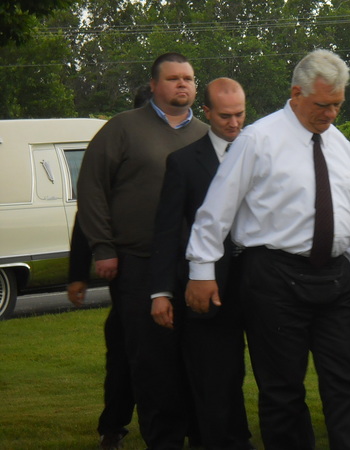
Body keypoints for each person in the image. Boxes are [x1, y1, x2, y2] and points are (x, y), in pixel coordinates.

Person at [184, 49, 350, 450]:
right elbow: (216, 210)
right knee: (283, 390)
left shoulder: (339, 145)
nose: (331, 114)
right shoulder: (258, 138)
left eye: (338, 104)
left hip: (335, 278)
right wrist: (201, 271)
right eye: (323, 105)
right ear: (296, 92)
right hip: (274, 278)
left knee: (345, 382)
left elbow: (349, 217)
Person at [77, 52, 208, 449]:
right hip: (137, 261)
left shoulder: (205, 134)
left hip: (192, 265)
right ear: (154, 85)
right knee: (151, 360)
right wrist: (102, 247)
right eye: (172, 78)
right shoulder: (123, 128)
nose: (181, 84)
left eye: (187, 78)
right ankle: (162, 437)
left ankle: (197, 430)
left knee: (194, 356)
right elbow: (92, 188)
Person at [149, 77, 253, 450]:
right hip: (206, 289)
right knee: (215, 377)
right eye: (225, 116)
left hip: (261, 283)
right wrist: (161, 291)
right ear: (206, 112)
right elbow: (166, 231)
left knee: (273, 374)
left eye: (240, 114)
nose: (234, 123)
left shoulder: (263, 155)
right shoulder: (183, 163)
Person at [66, 82, 152, 450]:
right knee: (126, 351)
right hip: (129, 267)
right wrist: (77, 274)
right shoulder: (119, 150)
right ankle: (113, 425)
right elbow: (89, 213)